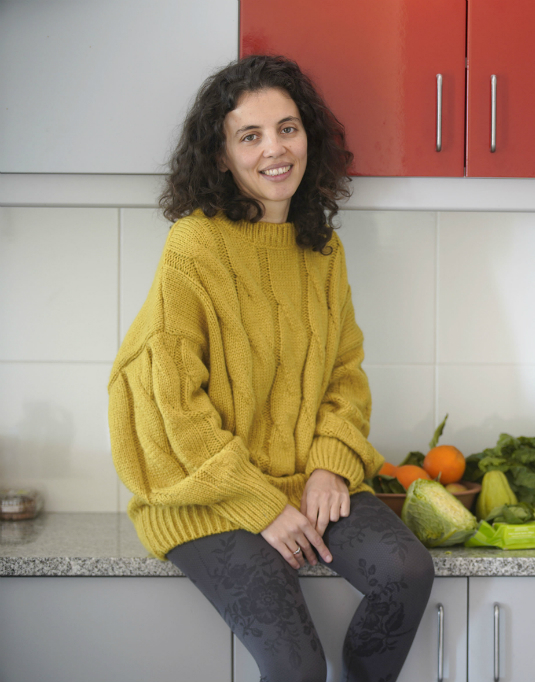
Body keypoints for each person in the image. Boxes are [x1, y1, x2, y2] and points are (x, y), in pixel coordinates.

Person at [108, 55, 434, 682]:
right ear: (222, 156)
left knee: (408, 572)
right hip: (210, 494)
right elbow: (173, 403)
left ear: (308, 134)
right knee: (297, 667)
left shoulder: (322, 245)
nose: (274, 150)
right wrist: (257, 502)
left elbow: (345, 370)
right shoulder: (194, 245)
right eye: (249, 136)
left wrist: (329, 464)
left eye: (288, 128)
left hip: (302, 481)